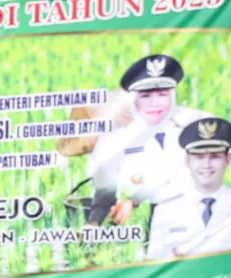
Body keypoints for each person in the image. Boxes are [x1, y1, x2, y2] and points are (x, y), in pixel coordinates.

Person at [89, 54, 197, 227]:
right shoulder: (119, 136)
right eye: (146, 96)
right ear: (134, 100)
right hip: (158, 224)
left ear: (172, 96)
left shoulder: (192, 125)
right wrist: (93, 223)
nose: (155, 103)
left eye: (162, 94)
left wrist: (132, 201)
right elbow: (105, 184)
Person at [146, 117, 231, 260]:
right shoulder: (166, 210)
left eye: (215, 157)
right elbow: (153, 264)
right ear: (187, 160)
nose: (207, 164)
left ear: (228, 159)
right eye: (199, 157)